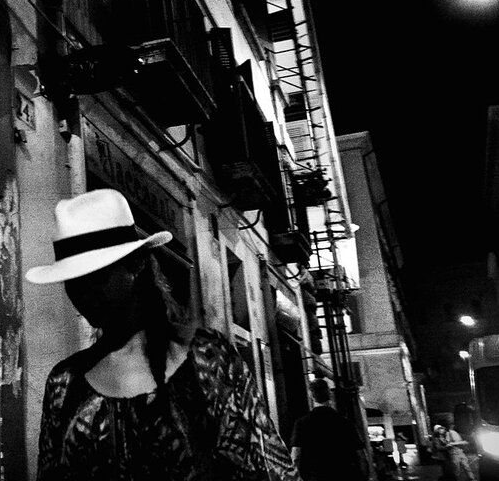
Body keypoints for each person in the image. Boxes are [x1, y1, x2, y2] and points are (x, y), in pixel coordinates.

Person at [25, 188, 300, 480]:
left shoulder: (208, 360)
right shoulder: (63, 383)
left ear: (137, 264)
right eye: (72, 281)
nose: (82, 293)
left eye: (96, 276)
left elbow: (270, 470)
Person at [289, 378, 369, 481]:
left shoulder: (301, 424)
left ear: (311, 396)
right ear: (329, 394)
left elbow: (296, 457)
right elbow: (361, 456)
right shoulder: (345, 423)